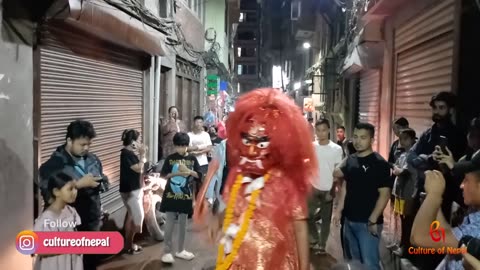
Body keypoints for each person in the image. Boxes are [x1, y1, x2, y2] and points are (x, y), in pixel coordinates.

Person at [195, 88, 317, 270]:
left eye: (260, 143)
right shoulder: (237, 176)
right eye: (247, 141)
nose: (252, 151)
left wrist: (304, 267)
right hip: (237, 261)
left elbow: (300, 227)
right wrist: (216, 221)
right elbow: (230, 210)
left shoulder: (285, 182)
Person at [39, 120, 108, 270]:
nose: (86, 148)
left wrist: (102, 182)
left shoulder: (93, 159)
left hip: (92, 221)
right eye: (82, 144)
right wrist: (78, 184)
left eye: (89, 144)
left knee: (90, 263)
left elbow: (101, 176)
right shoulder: (53, 166)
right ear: (69, 140)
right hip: (68, 226)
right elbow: (49, 196)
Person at [333, 123, 392, 270]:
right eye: (356, 137)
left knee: (370, 263)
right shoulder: (351, 160)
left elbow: (385, 194)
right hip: (349, 221)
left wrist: (373, 219)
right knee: (354, 263)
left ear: (372, 140)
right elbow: (343, 182)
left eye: (363, 138)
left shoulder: (379, 163)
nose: (358, 141)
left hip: (367, 224)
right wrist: (339, 210)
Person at [410, 150, 480, 269]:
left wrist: (434, 196)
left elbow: (419, 238)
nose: (461, 185)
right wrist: (433, 203)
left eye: (466, 180)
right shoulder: (475, 212)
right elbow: (445, 234)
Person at [160, 132, 202, 264]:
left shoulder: (192, 159)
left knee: (183, 223)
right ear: (174, 146)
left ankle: (181, 250)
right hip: (171, 195)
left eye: (183, 146)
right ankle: (167, 252)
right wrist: (178, 173)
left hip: (185, 196)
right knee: (170, 223)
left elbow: (199, 176)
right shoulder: (170, 158)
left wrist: (188, 171)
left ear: (187, 145)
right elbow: (163, 175)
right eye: (178, 146)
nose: (180, 148)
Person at [34, 172, 82, 270]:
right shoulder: (46, 219)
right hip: (55, 264)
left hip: (72, 261)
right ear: (56, 191)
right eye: (70, 189)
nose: (74, 192)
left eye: (75, 188)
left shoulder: (71, 211)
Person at [308, 119, 343, 254]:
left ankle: (322, 245)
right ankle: (314, 239)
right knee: (308, 215)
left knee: (326, 219)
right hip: (312, 186)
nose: (321, 133)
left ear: (329, 130)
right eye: (318, 130)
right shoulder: (311, 146)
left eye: (324, 130)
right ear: (315, 131)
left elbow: (337, 171)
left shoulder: (336, 149)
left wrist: (333, 190)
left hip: (328, 188)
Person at [390, 128, 417, 257]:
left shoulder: (412, 155)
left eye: (405, 138)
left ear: (412, 139)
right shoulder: (402, 154)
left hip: (407, 193)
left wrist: (396, 169)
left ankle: (406, 247)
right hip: (400, 193)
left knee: (407, 221)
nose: (402, 141)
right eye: (401, 138)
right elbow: (395, 168)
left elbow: (401, 171)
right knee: (401, 218)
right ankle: (401, 244)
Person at [119, 129, 147, 255]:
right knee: (137, 217)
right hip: (131, 191)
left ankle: (128, 245)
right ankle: (128, 245)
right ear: (133, 142)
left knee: (131, 216)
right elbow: (138, 168)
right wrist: (143, 155)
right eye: (138, 139)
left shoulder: (128, 153)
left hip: (134, 189)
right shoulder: (127, 154)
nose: (140, 142)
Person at [188, 116, 213, 195]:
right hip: (191, 162)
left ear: (203, 124)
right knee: (192, 183)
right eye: (197, 122)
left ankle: (200, 200)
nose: (198, 124)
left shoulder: (206, 135)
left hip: (203, 162)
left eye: (200, 122)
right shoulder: (189, 135)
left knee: (202, 182)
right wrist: (202, 146)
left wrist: (199, 151)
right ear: (194, 123)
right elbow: (188, 148)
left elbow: (209, 147)